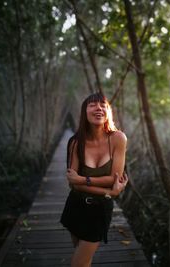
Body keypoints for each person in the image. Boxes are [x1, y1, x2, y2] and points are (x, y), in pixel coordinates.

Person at [60, 93, 128, 267]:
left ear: (108, 112)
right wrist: (108, 192)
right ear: (85, 112)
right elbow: (72, 183)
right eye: (92, 105)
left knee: (78, 264)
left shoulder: (118, 139)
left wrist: (83, 179)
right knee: (84, 260)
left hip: (99, 211)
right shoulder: (75, 142)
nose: (98, 108)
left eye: (103, 105)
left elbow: (114, 179)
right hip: (75, 206)